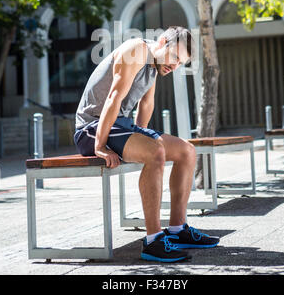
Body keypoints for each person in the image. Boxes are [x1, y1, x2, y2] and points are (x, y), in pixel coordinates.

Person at [74, 26, 220, 262]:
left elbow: (147, 104)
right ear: (162, 42)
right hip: (92, 128)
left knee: (186, 151)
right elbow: (113, 97)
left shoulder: (154, 65)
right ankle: (153, 241)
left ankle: (177, 230)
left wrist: (142, 134)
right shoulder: (136, 50)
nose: (174, 66)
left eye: (180, 63)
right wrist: (100, 147)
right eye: (174, 57)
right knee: (156, 152)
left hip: (119, 126)